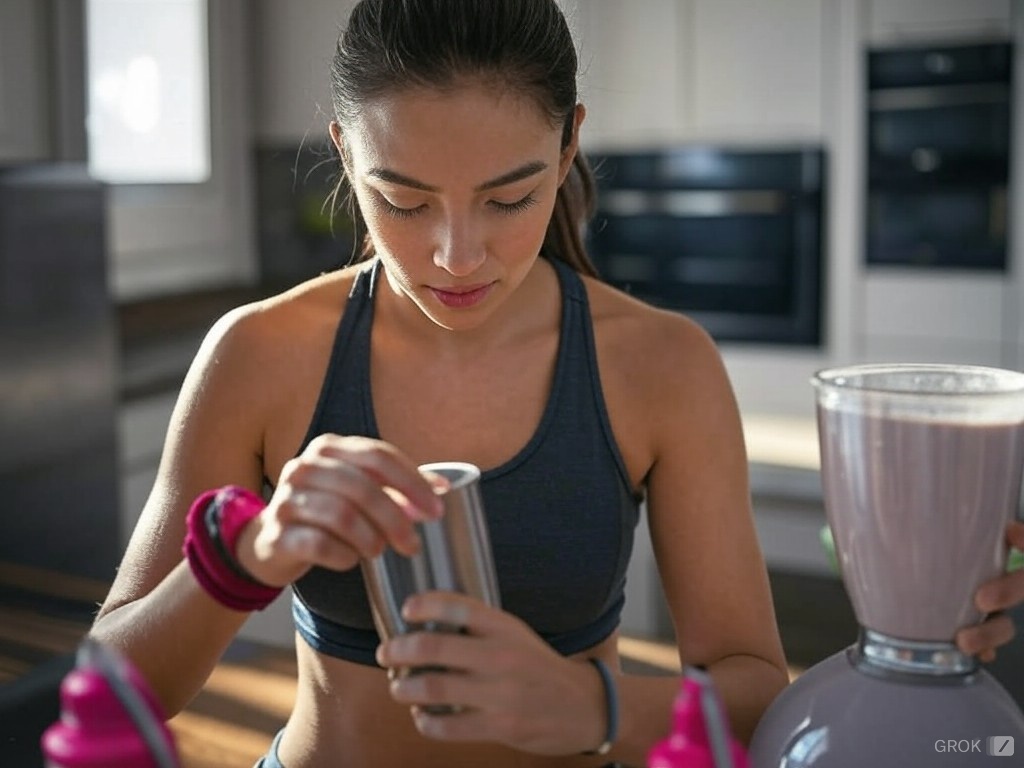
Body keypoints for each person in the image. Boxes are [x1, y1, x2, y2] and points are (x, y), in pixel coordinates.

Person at [89, 1, 1024, 766]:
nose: (457, 255)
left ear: (570, 145)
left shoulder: (661, 365)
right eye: (403, 201)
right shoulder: (258, 353)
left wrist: (591, 705)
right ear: (343, 151)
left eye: (509, 198)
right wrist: (246, 557)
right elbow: (108, 688)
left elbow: (750, 696)